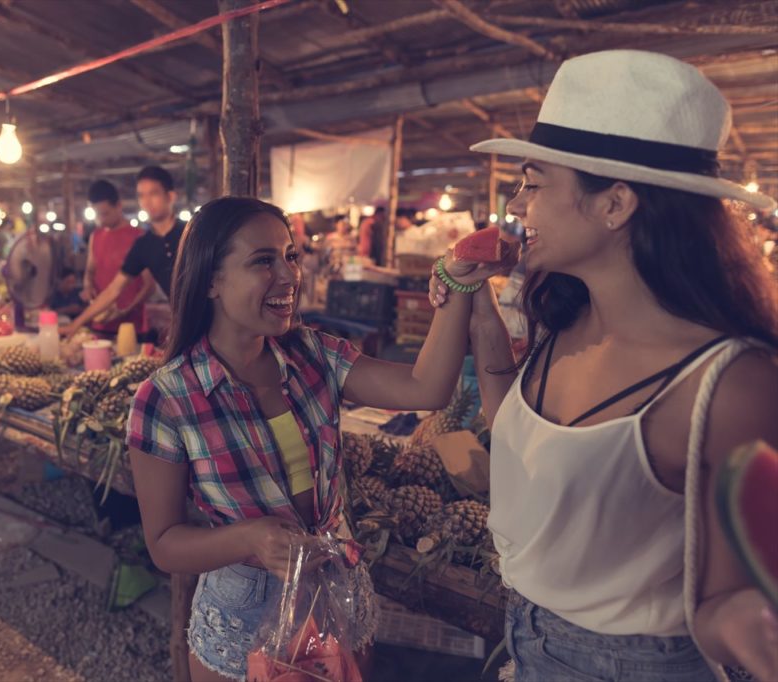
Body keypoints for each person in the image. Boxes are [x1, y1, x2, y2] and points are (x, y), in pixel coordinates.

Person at [432, 50, 778, 681]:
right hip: (523, 635)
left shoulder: (729, 384)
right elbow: (507, 418)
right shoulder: (567, 320)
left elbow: (729, 597)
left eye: (534, 184)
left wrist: (750, 618)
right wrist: (477, 306)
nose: (516, 205)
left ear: (615, 204)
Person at [125, 196, 514, 682]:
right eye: (263, 261)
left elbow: (426, 387)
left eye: (290, 255)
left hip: (335, 590)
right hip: (243, 613)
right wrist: (248, 537)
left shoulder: (312, 354)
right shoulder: (166, 398)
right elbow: (164, 544)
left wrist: (458, 280)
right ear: (211, 281)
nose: (289, 276)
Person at [61, 166, 184, 337]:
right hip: (185, 327)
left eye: (153, 193)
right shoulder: (143, 245)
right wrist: (76, 324)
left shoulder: (191, 232)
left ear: (170, 196)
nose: (147, 202)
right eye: (141, 195)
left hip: (214, 324)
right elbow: (113, 290)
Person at [79, 180, 154, 335]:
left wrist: (125, 310)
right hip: (99, 325)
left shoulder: (139, 237)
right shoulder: (96, 235)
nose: (100, 220)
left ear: (119, 205)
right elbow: (90, 272)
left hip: (133, 327)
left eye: (105, 213)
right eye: (97, 214)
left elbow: (149, 286)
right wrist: (88, 286)